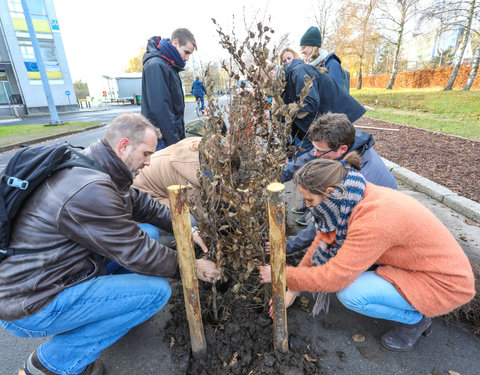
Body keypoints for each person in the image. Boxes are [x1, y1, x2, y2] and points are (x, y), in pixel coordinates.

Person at [0, 113, 220, 375]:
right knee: (155, 292)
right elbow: (136, 252)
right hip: (34, 301)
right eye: (146, 154)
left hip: (58, 272)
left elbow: (144, 205)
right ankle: (51, 363)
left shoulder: (95, 164)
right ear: (124, 145)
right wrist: (191, 266)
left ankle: (114, 313)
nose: (149, 162)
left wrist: (189, 228)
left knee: (148, 232)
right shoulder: (89, 189)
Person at [259, 155, 475, 352]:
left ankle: (415, 320)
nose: (308, 207)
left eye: (310, 201)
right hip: (414, 265)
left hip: (444, 284)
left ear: (331, 192)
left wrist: (282, 274)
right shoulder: (353, 194)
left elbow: (336, 277)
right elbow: (322, 240)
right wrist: (293, 290)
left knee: (351, 292)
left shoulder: (373, 219)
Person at [282, 112, 397, 229]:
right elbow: (305, 159)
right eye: (315, 148)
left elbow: (328, 219)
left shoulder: (356, 178)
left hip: (381, 219)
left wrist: (290, 246)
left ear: (342, 149)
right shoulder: (338, 142)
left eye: (319, 151)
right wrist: (278, 177)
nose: (315, 153)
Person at [280, 55, 365, 156]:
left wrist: (279, 110)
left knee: (332, 153)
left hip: (334, 117)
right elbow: (289, 120)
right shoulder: (284, 83)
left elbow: (310, 103)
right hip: (319, 123)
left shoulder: (300, 72)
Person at [141, 28, 197, 150]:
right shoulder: (157, 65)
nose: (187, 58)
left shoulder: (169, 66)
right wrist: (175, 144)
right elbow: (161, 110)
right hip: (161, 140)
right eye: (186, 52)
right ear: (175, 43)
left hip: (167, 138)